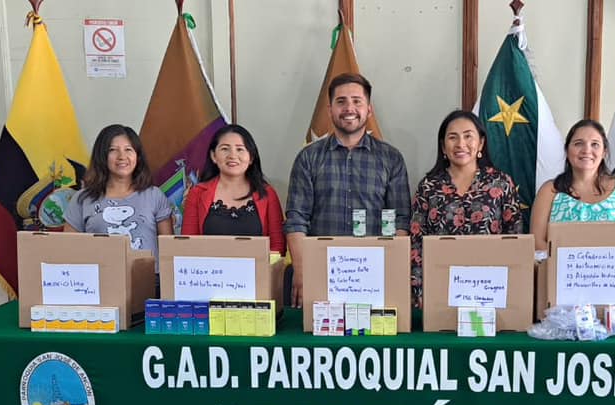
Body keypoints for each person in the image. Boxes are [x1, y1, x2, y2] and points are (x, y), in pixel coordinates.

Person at [284, 73, 411, 305]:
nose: (349, 108)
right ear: (330, 110)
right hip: (321, 271)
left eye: (357, 101)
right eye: (341, 101)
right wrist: (301, 271)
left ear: (369, 109)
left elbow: (400, 221)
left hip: (374, 273)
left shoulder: (391, 159)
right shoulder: (308, 158)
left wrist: (393, 271)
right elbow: (296, 220)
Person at [409, 110, 524, 306]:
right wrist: (418, 288)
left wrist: (513, 288)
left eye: (468, 136)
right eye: (453, 137)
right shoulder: (429, 186)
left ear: (481, 143)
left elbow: (515, 238)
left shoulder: (501, 183)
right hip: (439, 285)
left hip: (490, 287)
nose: (460, 144)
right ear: (443, 146)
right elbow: (416, 241)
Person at [64, 124, 175, 266]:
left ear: (137, 156)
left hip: (149, 278)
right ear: (102, 156)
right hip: (100, 277)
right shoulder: (82, 199)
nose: (122, 156)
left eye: (128, 149)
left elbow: (169, 253)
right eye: (113, 150)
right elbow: (69, 251)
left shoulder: (154, 195)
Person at [530, 119, 615, 250]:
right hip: (557, 264)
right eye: (578, 144)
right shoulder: (550, 191)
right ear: (567, 150)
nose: (587, 150)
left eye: (595, 144)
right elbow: (536, 241)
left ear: (604, 152)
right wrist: (568, 260)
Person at [181, 124, 286, 254]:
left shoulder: (267, 193)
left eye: (240, 149)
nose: (232, 155)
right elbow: (188, 247)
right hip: (208, 267)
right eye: (225, 149)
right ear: (213, 156)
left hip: (258, 267)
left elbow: (277, 247)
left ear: (251, 157)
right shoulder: (197, 193)